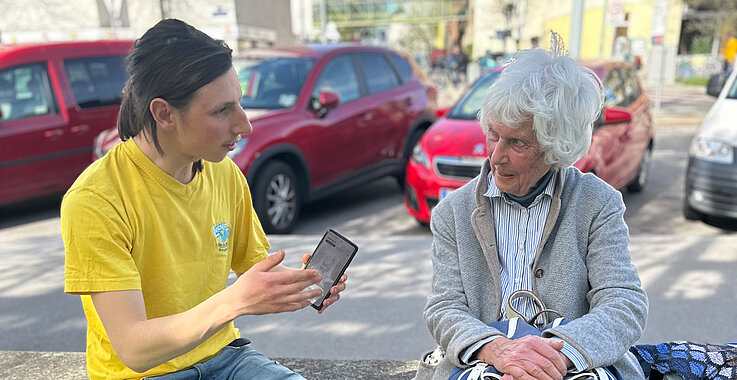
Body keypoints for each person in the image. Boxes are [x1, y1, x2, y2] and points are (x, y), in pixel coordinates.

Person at [61, 19, 347, 380]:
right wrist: (235, 301)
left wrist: (307, 282)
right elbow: (134, 348)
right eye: (221, 110)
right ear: (163, 113)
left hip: (225, 359)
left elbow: (256, 272)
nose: (245, 125)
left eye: (239, 104)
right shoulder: (95, 199)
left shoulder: (224, 173)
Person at [415, 46, 648, 380]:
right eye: (493, 134)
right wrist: (499, 351)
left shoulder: (597, 203)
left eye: (518, 143)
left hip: (569, 361)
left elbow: (623, 303)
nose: (495, 156)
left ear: (556, 147)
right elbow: (444, 308)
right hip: (486, 360)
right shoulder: (453, 212)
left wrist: (553, 357)